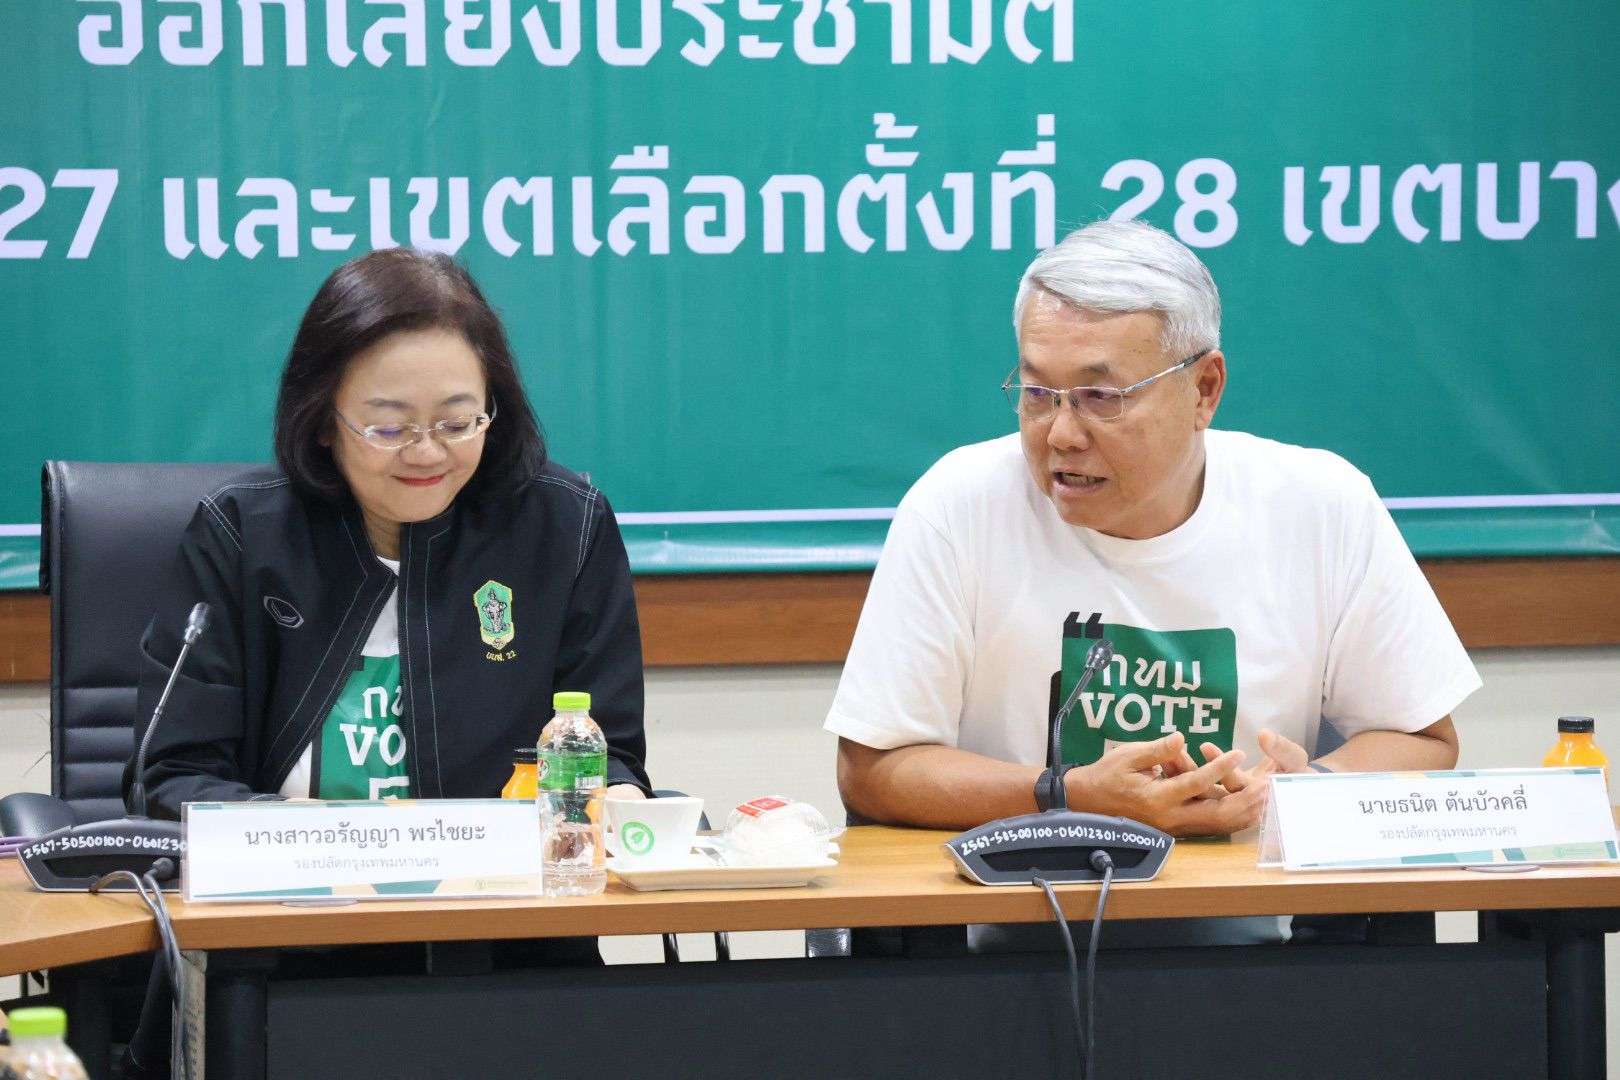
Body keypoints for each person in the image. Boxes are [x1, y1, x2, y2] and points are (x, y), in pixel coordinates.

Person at [827, 219, 1477, 843]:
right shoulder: (957, 505)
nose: (1061, 434)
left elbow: (1420, 737)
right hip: (1018, 908)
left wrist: (1298, 793)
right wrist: (1066, 795)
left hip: (1254, 908)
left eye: (1101, 398)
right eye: (1037, 394)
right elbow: (873, 770)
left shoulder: (1322, 506)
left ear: (1204, 389)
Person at [126, 247, 651, 816]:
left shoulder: (565, 529)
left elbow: (608, 757)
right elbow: (169, 777)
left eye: (456, 422)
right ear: (323, 420)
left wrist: (621, 797)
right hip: (292, 867)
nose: (426, 452)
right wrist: (279, 827)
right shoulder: (242, 536)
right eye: (389, 427)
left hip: (496, 868)